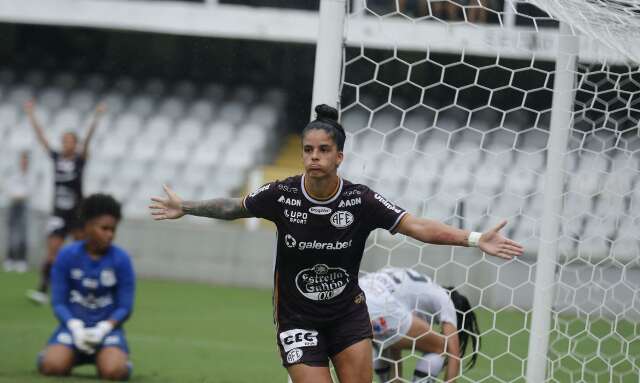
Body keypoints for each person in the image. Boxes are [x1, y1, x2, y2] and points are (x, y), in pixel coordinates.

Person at [149, 104, 523, 383]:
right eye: (308, 149)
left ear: (339, 156)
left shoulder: (361, 200)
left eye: (323, 150)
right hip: (297, 320)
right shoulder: (282, 194)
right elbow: (234, 207)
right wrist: (186, 206)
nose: (314, 157)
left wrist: (474, 238)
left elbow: (416, 226)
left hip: (348, 318)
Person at [38, 193, 135, 381]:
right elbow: (58, 302)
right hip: (72, 330)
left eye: (113, 229)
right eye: (104, 228)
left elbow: (125, 307)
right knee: (52, 366)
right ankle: (53, 354)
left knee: (113, 372)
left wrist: (103, 329)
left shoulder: (121, 259)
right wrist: (75, 327)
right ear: (88, 226)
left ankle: (121, 361)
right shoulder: (67, 256)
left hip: (107, 332)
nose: (110, 234)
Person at [25, 100, 107, 304]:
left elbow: (88, 140)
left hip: (78, 214)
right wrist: (31, 114)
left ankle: (85, 291)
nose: (65, 144)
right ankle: (43, 289)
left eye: (69, 141)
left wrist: (96, 117)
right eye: (63, 141)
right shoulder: (56, 158)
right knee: (52, 251)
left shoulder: (79, 160)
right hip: (58, 213)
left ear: (75, 144)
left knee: (83, 252)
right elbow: (41, 137)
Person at [360, 267, 480, 382]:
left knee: (387, 343)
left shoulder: (421, 285)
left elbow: (394, 339)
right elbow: (454, 355)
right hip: (380, 306)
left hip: (355, 298)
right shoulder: (445, 300)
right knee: (443, 347)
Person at [3, 150, 33, 273]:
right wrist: (16, 196)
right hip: (13, 205)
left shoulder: (31, 176)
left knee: (23, 233)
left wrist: (20, 196)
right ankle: (10, 258)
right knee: (11, 233)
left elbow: (30, 192)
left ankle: (22, 260)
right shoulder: (14, 175)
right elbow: (9, 189)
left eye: (25, 160)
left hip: (24, 206)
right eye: (22, 160)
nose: (23, 162)